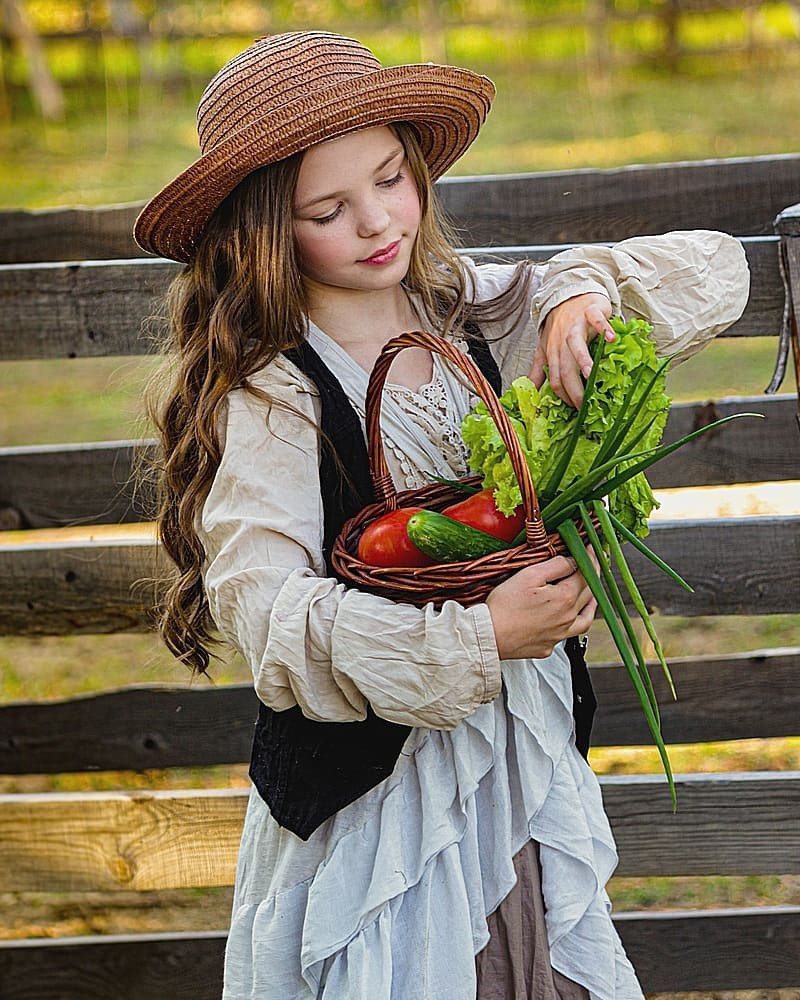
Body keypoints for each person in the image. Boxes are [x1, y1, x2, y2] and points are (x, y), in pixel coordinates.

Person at [134, 31, 749, 1000]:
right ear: (264, 232)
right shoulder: (276, 394)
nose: (377, 221)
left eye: (390, 178)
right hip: (381, 808)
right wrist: (475, 637)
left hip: (515, 767)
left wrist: (574, 294)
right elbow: (268, 614)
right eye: (327, 210)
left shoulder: (471, 311)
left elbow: (710, 269)